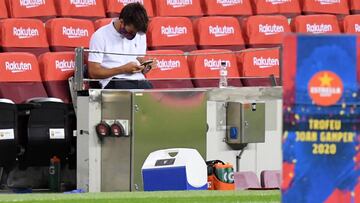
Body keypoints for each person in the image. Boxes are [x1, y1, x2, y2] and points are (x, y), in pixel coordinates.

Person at [88, 2, 155, 89]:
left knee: (153, 95)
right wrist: (123, 69)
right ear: (122, 22)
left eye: (136, 33)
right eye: (131, 32)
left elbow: (139, 59)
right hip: (114, 81)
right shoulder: (100, 35)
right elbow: (93, 72)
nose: (134, 35)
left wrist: (146, 66)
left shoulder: (139, 34)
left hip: (139, 80)